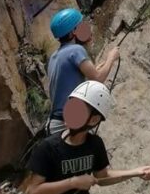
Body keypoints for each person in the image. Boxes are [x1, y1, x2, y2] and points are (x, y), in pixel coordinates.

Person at [46, 8, 120, 136]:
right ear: (73, 32)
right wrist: (111, 58)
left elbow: (69, 85)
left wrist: (94, 71)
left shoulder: (54, 57)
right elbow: (98, 79)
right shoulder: (76, 50)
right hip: (66, 125)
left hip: (54, 123)